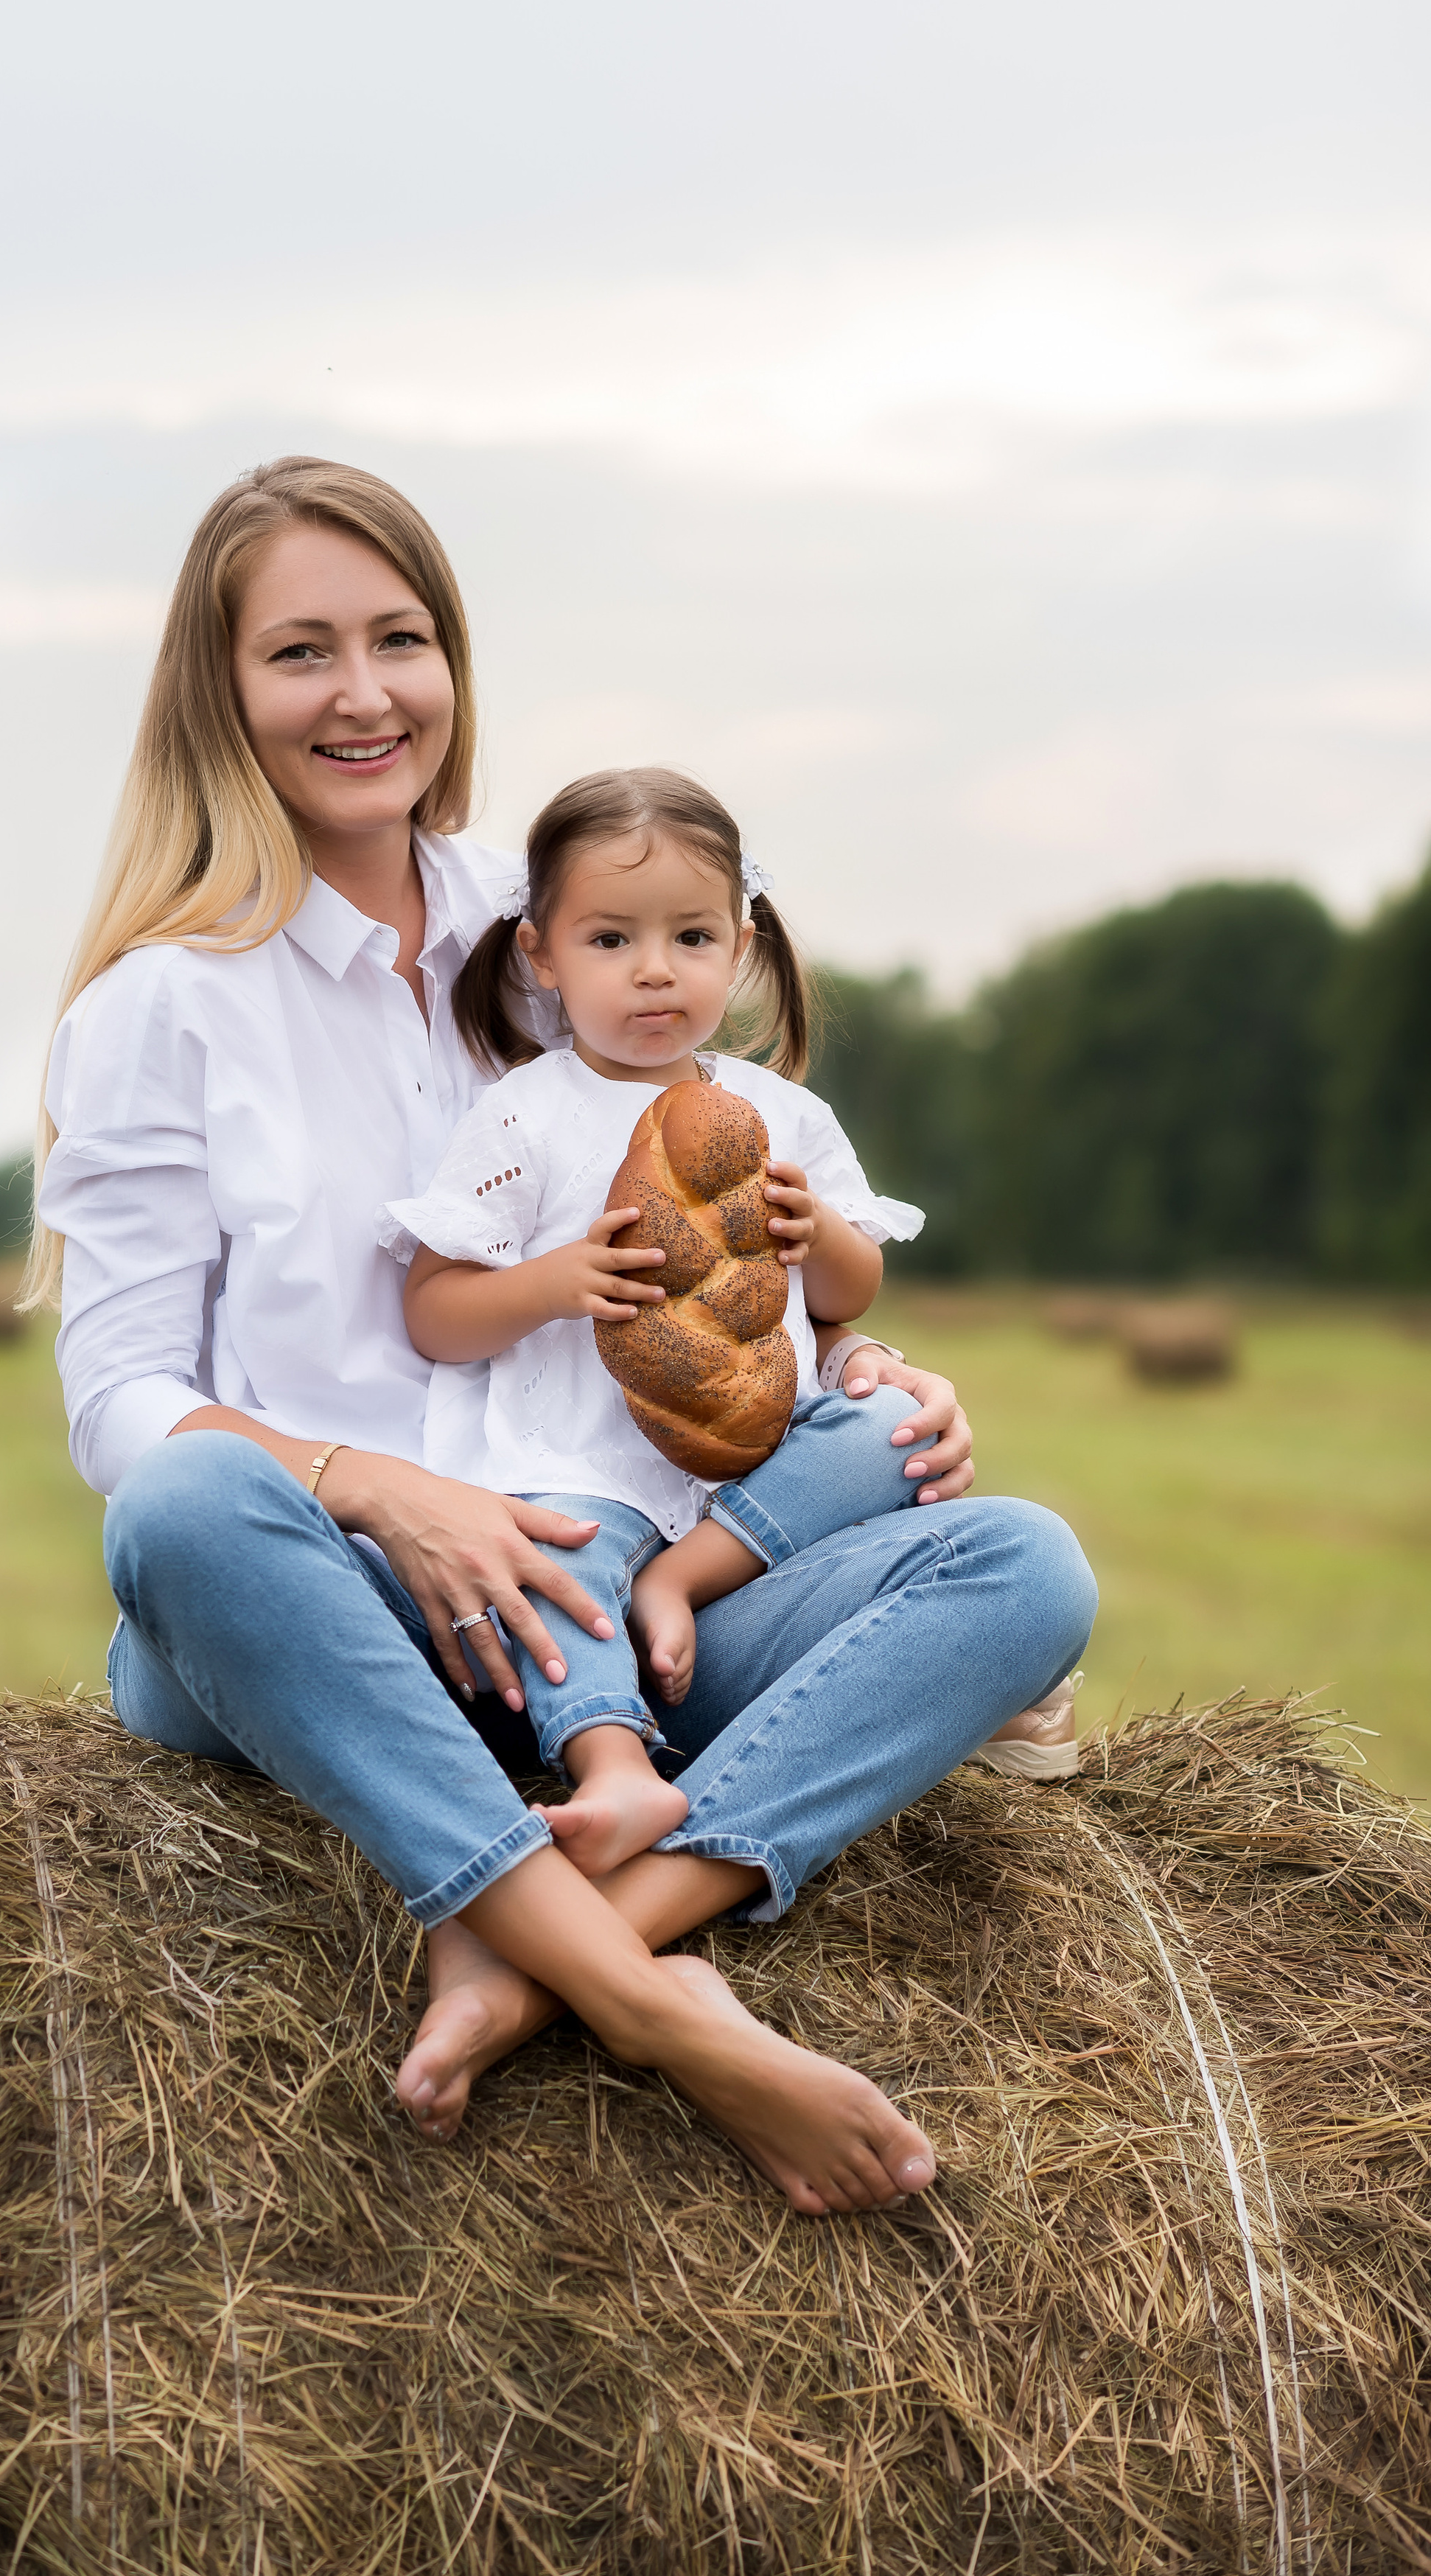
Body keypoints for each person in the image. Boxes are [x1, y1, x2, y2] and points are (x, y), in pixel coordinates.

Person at [29, 454, 1098, 2216]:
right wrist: (377, 1491)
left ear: (452, 661)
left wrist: (865, 1381)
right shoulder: (165, 1005)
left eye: (399, 638)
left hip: (595, 1589)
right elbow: (123, 1406)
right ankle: (659, 2015)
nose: (362, 694)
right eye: (300, 653)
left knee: (1021, 1567)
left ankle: (544, 1949)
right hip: (322, 1614)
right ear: (219, 696)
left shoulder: (549, 938)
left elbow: (715, 1239)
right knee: (174, 1517)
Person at [385, 766, 1084, 1886]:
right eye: (611, 939)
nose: (655, 969)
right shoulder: (525, 1113)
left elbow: (849, 1300)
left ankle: (683, 1583)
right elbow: (434, 1314)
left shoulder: (785, 1113)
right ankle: (612, 1763)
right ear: (540, 954)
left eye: (692, 937)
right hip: (578, 1466)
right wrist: (555, 1281)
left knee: (886, 1427)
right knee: (553, 1557)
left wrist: (821, 1241)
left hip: (754, 1495)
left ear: (743, 945)